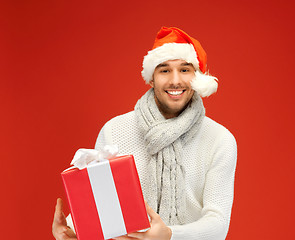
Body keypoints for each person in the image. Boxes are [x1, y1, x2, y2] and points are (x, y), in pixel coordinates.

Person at [52, 26, 237, 240]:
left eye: (185, 70)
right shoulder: (114, 130)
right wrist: (71, 228)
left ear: (197, 77)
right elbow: (101, 202)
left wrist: (169, 235)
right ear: (151, 78)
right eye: (165, 70)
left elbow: (218, 224)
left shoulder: (220, 140)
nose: (175, 80)